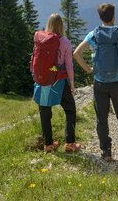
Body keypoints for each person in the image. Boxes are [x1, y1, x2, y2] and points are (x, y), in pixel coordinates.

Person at [73, 3, 118, 160]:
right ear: (114, 16)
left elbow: (76, 53)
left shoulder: (94, 34)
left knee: (102, 118)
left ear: (99, 17)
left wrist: (88, 69)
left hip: (100, 82)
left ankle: (106, 151)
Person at [33, 13, 81, 153]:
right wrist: (71, 84)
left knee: (44, 112)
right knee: (70, 109)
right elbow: (69, 65)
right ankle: (69, 143)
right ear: (61, 25)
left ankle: (48, 145)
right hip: (58, 80)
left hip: (42, 79)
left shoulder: (40, 39)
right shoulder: (65, 42)